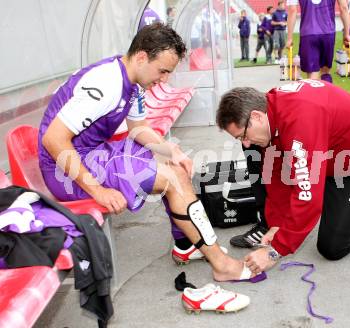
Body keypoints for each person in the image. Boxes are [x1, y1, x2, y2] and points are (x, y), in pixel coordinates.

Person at [38, 23, 255, 282]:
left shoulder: (133, 81)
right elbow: (54, 139)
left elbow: (138, 129)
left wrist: (170, 150)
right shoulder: (105, 83)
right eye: (162, 71)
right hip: (64, 168)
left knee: (175, 167)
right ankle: (221, 265)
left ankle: (185, 245)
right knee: (171, 179)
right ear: (142, 57)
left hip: (91, 153)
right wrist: (98, 189)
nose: (164, 79)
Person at [216, 81, 350, 274]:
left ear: (256, 116)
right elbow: (277, 176)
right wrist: (277, 224)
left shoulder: (300, 121)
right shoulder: (270, 112)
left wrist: (275, 250)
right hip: (326, 156)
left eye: (243, 135)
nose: (244, 144)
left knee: (333, 247)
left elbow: (308, 195)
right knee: (258, 154)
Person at [286, 0, 350, 83]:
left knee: (312, 75)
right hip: (328, 33)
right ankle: (327, 95)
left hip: (308, 34)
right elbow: (344, 8)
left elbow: (292, 11)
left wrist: (289, 38)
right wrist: (347, 34)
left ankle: (313, 94)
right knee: (325, 71)